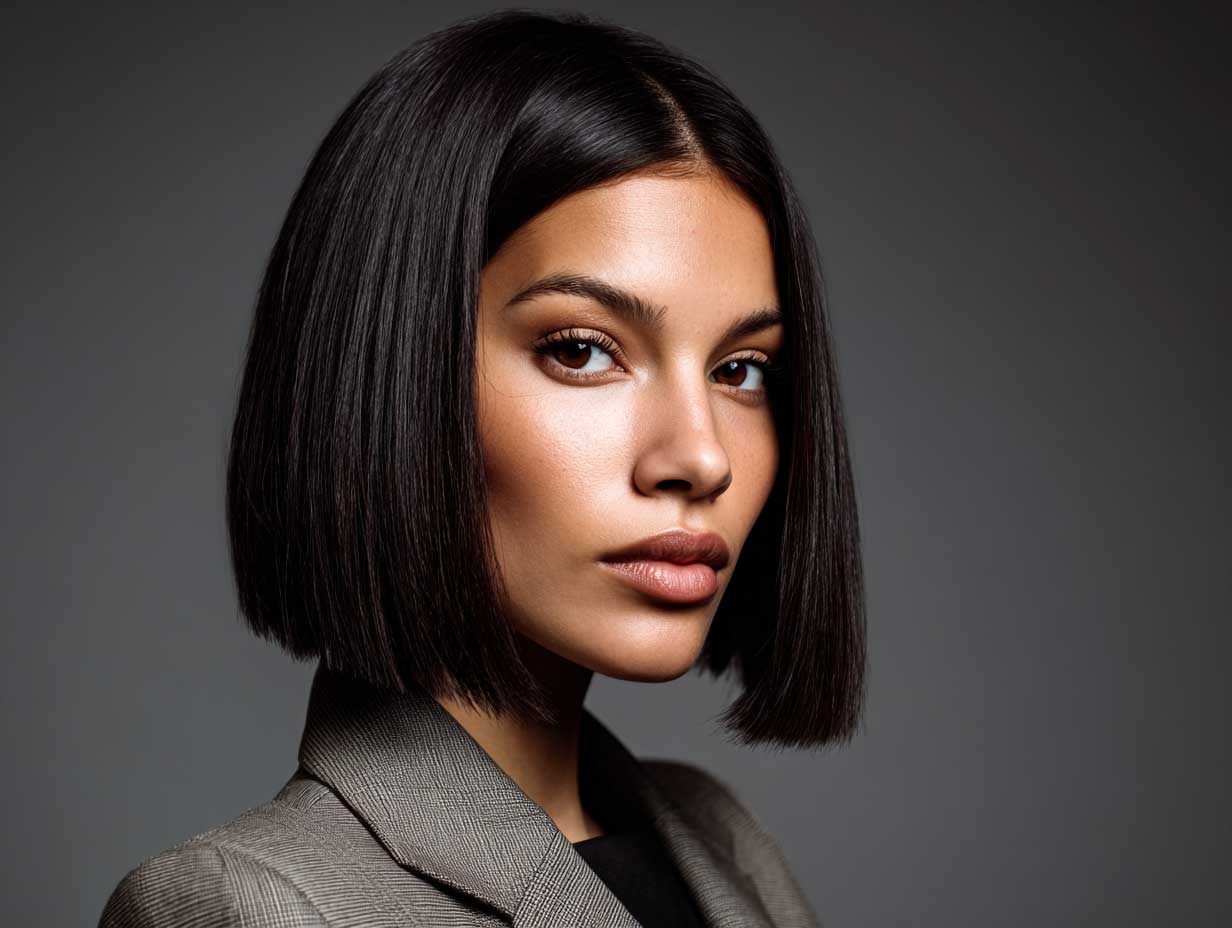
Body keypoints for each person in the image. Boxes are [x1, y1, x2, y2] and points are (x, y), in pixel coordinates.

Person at [97, 8, 866, 927]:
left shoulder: (724, 846)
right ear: (391, 378)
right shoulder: (251, 906)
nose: (701, 457)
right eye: (582, 350)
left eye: (740, 370)